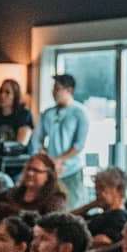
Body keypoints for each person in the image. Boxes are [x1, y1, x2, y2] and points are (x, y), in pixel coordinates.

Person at [0, 152, 67, 252]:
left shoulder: (55, 200)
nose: (30, 173)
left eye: (36, 171)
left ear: (48, 176)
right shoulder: (14, 192)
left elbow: (49, 231)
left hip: (21, 249)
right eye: (28, 169)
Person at [30, 74, 90, 208]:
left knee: (72, 206)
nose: (54, 92)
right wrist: (46, 158)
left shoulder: (79, 113)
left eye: (58, 89)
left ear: (69, 90)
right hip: (50, 170)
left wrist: (60, 160)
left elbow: (79, 145)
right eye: (53, 89)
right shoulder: (48, 113)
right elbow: (37, 139)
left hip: (71, 169)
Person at [73, 166, 127, 249]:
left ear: (119, 189)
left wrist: (74, 241)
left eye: (101, 188)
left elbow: (104, 241)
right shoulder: (101, 215)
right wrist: (91, 205)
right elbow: (67, 219)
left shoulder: (119, 216)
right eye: (96, 189)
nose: (97, 192)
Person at [0, 78, 33, 147]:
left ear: (15, 96)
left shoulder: (24, 115)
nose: (2, 95)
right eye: (1, 91)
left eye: (7, 92)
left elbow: (21, 145)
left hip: (17, 153)